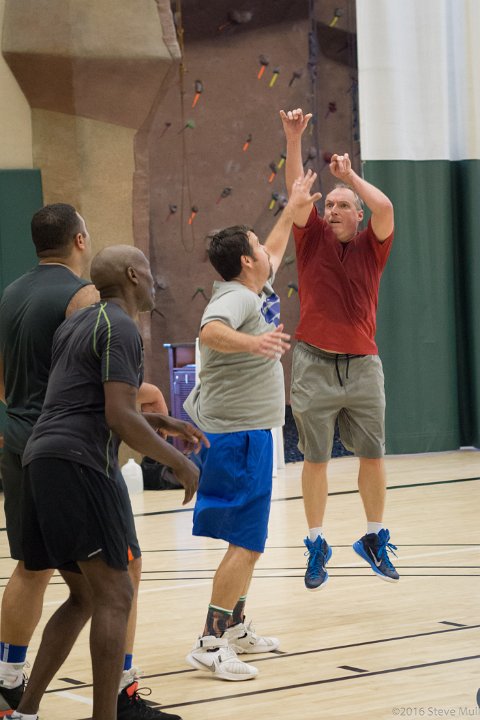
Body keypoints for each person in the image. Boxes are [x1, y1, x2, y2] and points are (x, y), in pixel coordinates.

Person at [9, 244, 208, 720]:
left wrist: (158, 420)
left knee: (84, 596)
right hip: (78, 464)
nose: (154, 279)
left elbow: (85, 401)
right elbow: (118, 415)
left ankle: (24, 713)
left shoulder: (78, 324)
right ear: (133, 275)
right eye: (148, 269)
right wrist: (179, 463)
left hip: (41, 458)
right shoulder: (121, 325)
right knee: (117, 594)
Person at [183, 170, 321, 681]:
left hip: (247, 433)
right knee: (245, 543)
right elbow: (210, 331)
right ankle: (209, 641)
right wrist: (254, 343)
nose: (267, 248)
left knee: (251, 542)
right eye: (257, 245)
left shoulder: (253, 287)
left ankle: (235, 625)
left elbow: (276, 245)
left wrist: (291, 207)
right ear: (246, 260)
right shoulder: (237, 298)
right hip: (237, 435)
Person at [279, 108, 399, 591]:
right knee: (315, 459)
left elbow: (385, 208)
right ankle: (316, 543)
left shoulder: (373, 244)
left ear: (357, 214)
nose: (330, 210)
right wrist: (293, 139)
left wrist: (350, 177)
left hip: (363, 365)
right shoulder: (311, 240)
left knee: (373, 454)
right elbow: (297, 195)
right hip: (313, 362)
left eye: (341, 205)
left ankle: (373, 538)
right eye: (328, 204)